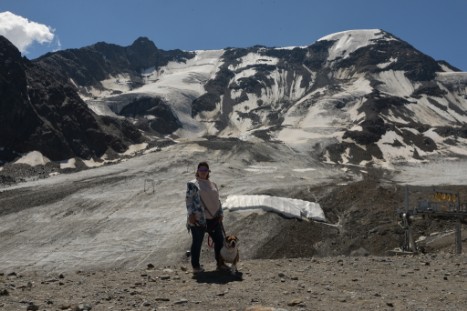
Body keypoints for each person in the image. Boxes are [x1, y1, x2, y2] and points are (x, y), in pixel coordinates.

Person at [185, 161, 228, 273]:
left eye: (205, 170)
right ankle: (196, 266)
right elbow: (189, 200)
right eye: (201, 170)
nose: (203, 172)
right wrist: (191, 214)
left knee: (219, 240)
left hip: (214, 218)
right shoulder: (193, 184)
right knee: (197, 242)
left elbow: (218, 200)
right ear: (197, 171)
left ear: (208, 172)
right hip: (199, 219)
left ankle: (220, 263)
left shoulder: (213, 184)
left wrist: (221, 213)